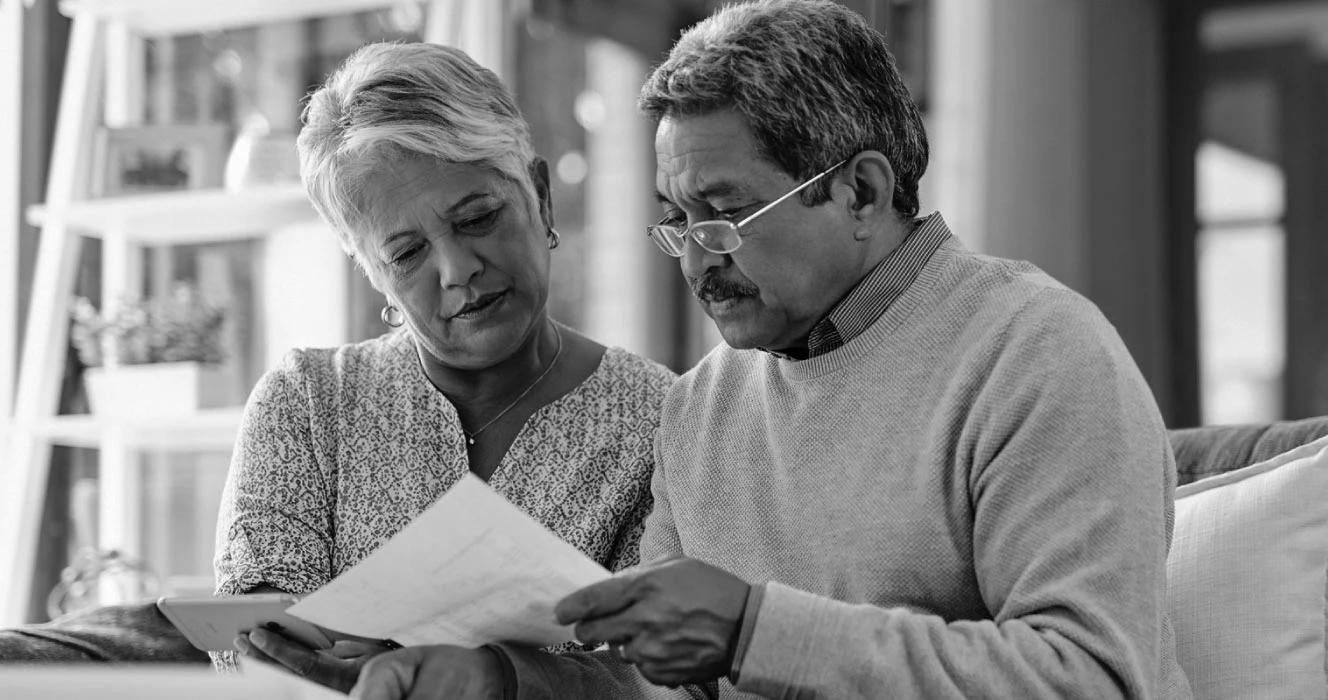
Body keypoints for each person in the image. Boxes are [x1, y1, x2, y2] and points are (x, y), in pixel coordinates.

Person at [352, 1, 1195, 698]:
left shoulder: (1037, 355)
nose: (694, 259)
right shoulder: (703, 403)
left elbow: (1094, 679)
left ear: (860, 191)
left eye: (722, 215)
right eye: (676, 220)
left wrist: (758, 631)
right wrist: (498, 681)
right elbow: (663, 689)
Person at [211, 41, 676, 692]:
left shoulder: (661, 417)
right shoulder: (307, 403)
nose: (458, 270)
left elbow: (666, 676)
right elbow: (252, 653)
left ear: (540, 197)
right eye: (405, 254)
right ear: (372, 272)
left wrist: (496, 679)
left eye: (479, 217)